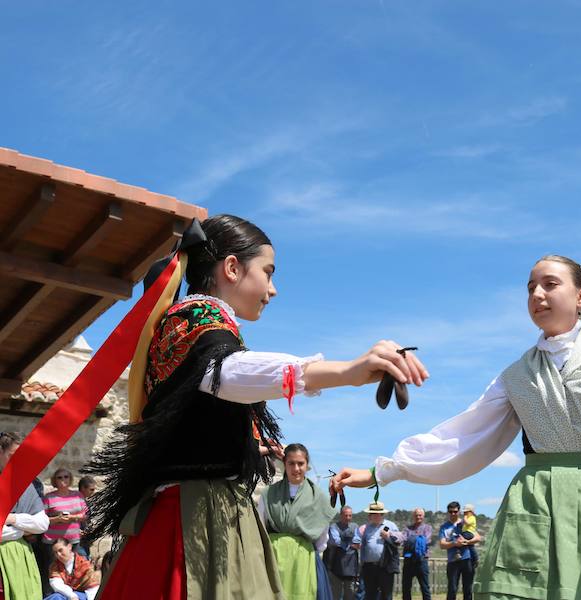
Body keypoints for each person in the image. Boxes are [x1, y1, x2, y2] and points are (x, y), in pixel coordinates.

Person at [332, 255, 581, 600]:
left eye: (550, 284)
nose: (537, 294)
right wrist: (381, 472)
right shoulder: (518, 374)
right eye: (530, 287)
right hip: (535, 500)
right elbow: (463, 436)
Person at [81, 214, 428, 598]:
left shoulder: (193, 324)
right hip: (196, 520)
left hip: (194, 512)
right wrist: (347, 371)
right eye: (268, 272)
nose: (273, 289)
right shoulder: (194, 320)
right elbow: (226, 373)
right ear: (232, 267)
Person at [258, 443, 336, 600]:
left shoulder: (319, 497)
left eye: (300, 463)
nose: (296, 468)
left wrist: (301, 549)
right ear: (284, 464)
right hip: (274, 558)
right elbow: (261, 528)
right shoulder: (269, 494)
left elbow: (322, 539)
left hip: (304, 560)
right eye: (291, 463)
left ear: (307, 465)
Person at [0, 431, 49, 599]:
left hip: (18, 558)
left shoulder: (24, 484)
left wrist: (12, 519)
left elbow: (42, 523)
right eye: (12, 455)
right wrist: (21, 531)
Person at [353, 502, 400, 600]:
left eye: (371, 513)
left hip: (385, 567)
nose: (369, 516)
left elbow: (400, 541)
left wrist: (388, 537)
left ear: (379, 514)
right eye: (370, 513)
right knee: (370, 594)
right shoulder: (367, 528)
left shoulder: (390, 526)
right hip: (369, 567)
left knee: (386, 595)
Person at [43, 469, 89, 559]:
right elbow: (42, 519)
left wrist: (72, 517)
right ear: (55, 480)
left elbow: (86, 514)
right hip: (53, 541)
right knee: (54, 569)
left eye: (66, 477)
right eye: (59, 477)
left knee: (72, 568)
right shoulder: (49, 497)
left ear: (70, 479)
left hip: (73, 540)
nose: (63, 479)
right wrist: (58, 519)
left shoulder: (78, 495)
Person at [441, 501, 478, 600]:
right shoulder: (444, 527)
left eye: (455, 511)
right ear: (448, 512)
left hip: (467, 560)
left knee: (468, 589)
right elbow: (442, 544)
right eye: (451, 511)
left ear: (459, 512)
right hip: (453, 561)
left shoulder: (466, 523)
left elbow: (478, 538)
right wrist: (454, 544)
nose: (453, 513)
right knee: (452, 589)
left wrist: (466, 542)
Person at [326, 506, 359, 600]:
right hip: (336, 565)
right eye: (346, 515)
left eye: (350, 515)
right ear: (341, 515)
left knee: (350, 594)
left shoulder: (355, 526)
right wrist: (349, 544)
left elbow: (357, 541)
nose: (348, 517)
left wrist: (345, 543)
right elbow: (336, 541)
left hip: (351, 566)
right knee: (335, 594)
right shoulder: (334, 527)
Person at [400, 507, 432, 600]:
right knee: (406, 587)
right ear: (413, 516)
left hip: (422, 561)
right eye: (416, 515)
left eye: (420, 515)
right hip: (408, 561)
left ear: (423, 516)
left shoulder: (428, 528)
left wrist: (411, 540)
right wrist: (418, 540)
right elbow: (403, 540)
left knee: (425, 587)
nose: (418, 517)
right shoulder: (407, 528)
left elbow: (426, 540)